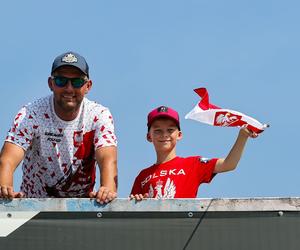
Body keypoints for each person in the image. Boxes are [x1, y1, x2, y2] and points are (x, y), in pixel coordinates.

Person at [0, 51, 117, 204]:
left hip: (81, 208)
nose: (69, 89)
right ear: (51, 84)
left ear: (88, 86)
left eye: (76, 82)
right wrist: (4, 188)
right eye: (61, 81)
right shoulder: (31, 113)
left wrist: (107, 188)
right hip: (33, 207)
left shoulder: (99, 115)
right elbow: (8, 158)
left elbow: (108, 158)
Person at [130, 106, 258, 200]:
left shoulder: (193, 164)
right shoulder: (143, 176)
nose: (164, 134)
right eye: (158, 130)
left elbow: (229, 164)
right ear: (148, 136)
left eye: (170, 130)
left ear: (179, 135)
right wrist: (137, 201)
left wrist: (243, 136)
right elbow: (131, 210)